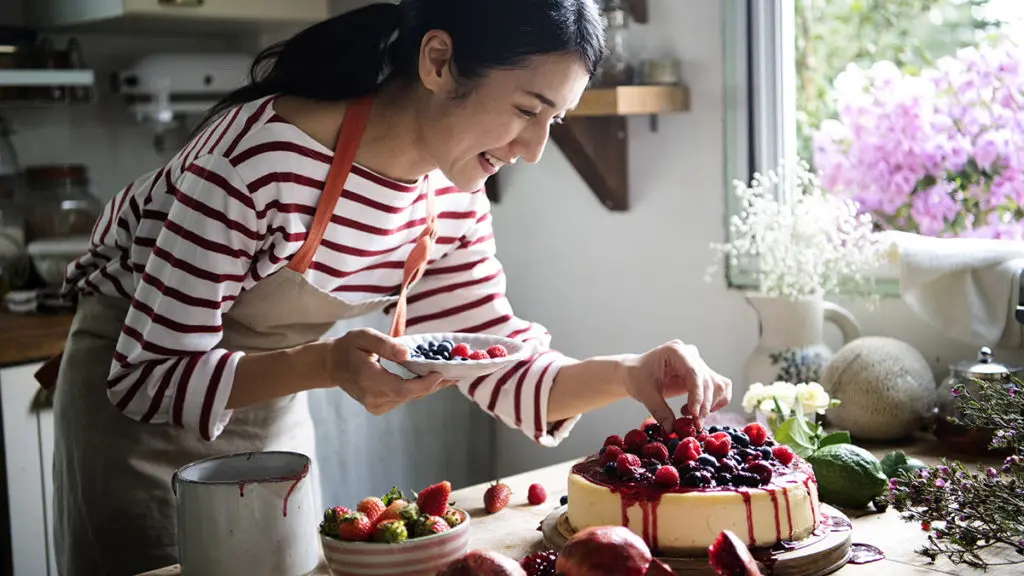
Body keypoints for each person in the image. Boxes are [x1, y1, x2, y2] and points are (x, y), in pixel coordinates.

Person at [41, 0, 733, 574]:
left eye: (555, 121)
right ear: (437, 61)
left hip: (274, 404)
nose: (533, 149)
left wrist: (628, 372)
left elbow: (496, 364)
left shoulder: (454, 197)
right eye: (527, 109)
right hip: (137, 419)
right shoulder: (256, 162)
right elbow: (148, 378)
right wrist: (323, 364)